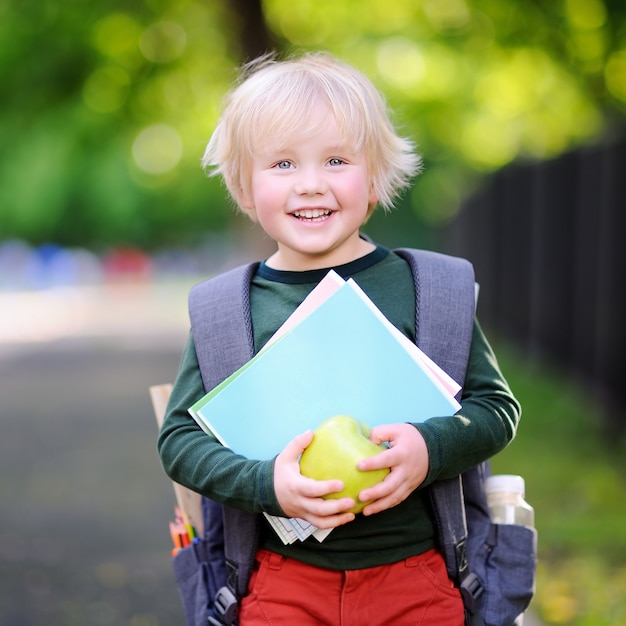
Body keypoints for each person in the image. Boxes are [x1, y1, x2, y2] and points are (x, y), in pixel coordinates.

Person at [158, 51, 521, 625]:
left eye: (335, 160)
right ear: (245, 188)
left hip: (418, 577)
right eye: (282, 164)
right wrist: (264, 482)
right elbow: (178, 440)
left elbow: (497, 409)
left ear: (374, 177)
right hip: (280, 584)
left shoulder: (430, 289)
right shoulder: (227, 310)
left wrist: (430, 450)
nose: (310, 184)